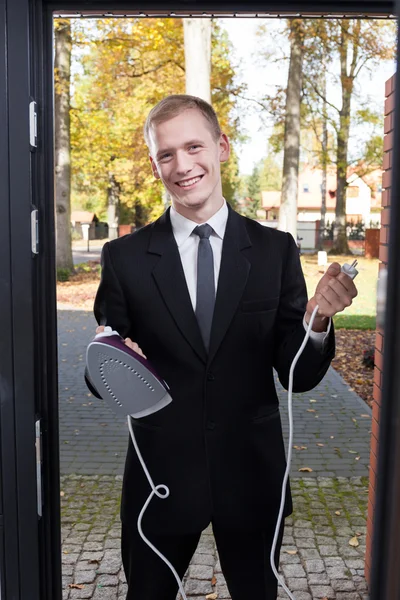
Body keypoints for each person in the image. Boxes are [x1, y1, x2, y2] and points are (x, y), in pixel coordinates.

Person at [92, 95, 357, 599]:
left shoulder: (273, 250)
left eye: (194, 146)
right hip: (161, 477)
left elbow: (296, 375)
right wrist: (109, 356)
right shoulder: (124, 258)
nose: (182, 164)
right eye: (166, 154)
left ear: (222, 147)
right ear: (154, 165)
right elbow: (104, 366)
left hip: (252, 476)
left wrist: (318, 320)